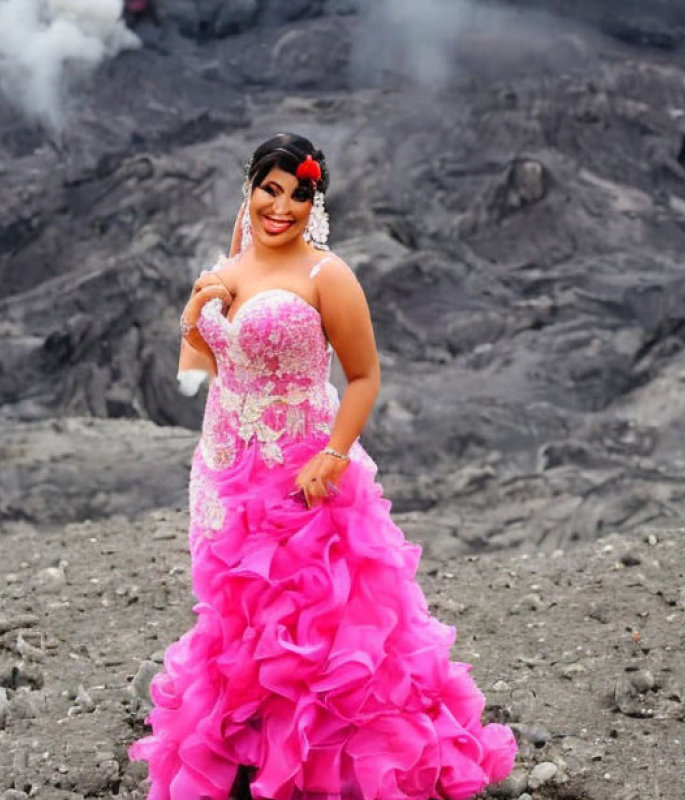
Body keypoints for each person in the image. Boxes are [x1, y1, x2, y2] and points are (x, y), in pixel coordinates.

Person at [129, 133, 517, 800]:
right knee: (241, 613)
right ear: (249, 190)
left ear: (317, 201)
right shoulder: (234, 264)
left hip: (304, 470)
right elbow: (204, 366)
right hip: (225, 466)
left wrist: (333, 456)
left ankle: (337, 767)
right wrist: (199, 309)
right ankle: (255, 752)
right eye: (270, 190)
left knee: (318, 619)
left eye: (299, 194)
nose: (282, 207)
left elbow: (364, 376)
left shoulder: (326, 275)